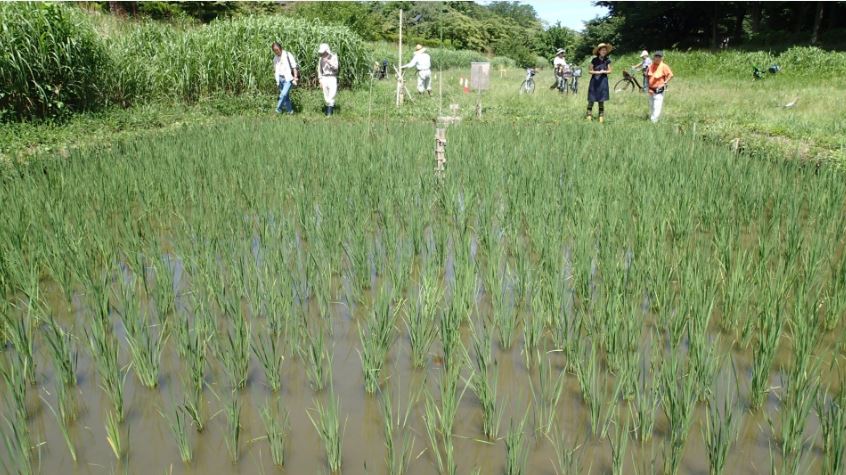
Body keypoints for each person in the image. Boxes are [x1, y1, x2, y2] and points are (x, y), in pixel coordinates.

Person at [586, 43, 612, 123]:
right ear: (599, 51)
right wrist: (596, 72)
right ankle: (589, 115)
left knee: (602, 99)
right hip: (594, 81)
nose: (604, 51)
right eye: (602, 50)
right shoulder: (594, 60)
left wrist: (604, 71)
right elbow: (590, 71)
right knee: (591, 99)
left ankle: (601, 117)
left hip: (603, 82)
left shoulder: (607, 60)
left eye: (605, 50)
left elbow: (610, 71)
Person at [272, 42, 299, 115]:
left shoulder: (287, 54)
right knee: (286, 97)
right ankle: (290, 111)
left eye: (277, 50)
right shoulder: (275, 58)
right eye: (274, 50)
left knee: (282, 95)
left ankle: (278, 110)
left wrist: (295, 77)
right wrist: (277, 81)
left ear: (280, 48)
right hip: (280, 79)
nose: (276, 51)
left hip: (288, 79)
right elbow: (275, 70)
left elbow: (294, 66)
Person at [646, 50, 673, 123]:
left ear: (662, 58)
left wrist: (665, 82)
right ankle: (652, 117)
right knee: (651, 105)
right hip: (651, 89)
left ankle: (654, 121)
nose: (657, 58)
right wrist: (648, 87)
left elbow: (670, 75)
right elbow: (647, 77)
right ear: (653, 57)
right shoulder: (650, 66)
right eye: (656, 56)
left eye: (659, 57)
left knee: (657, 105)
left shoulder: (664, 66)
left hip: (659, 90)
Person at [317, 43, 339, 116]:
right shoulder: (321, 58)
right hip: (324, 77)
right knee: (326, 96)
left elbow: (336, 68)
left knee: (332, 94)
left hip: (332, 77)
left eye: (324, 52)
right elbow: (319, 69)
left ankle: (329, 113)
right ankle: (328, 111)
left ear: (327, 50)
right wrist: (320, 79)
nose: (322, 53)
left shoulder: (334, 56)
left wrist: (328, 62)